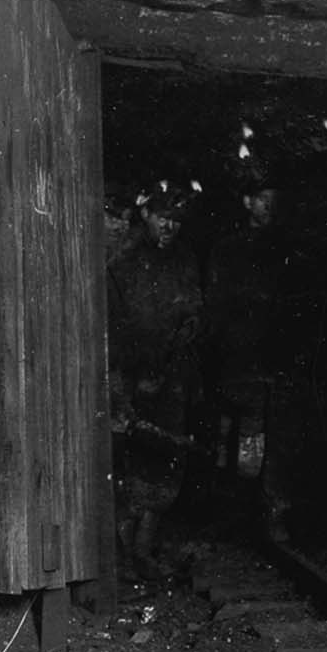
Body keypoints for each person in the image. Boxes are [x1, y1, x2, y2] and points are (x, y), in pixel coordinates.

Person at [107, 179, 203, 579]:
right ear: (145, 214)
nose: (170, 226)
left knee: (165, 463)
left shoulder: (185, 261)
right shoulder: (122, 263)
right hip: (127, 379)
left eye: (177, 220)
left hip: (171, 378)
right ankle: (121, 554)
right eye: (163, 217)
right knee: (128, 463)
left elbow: (195, 313)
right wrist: (129, 379)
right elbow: (111, 325)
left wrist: (178, 351)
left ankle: (143, 552)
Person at [202, 165, 299, 539]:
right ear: (246, 202)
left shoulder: (287, 250)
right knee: (241, 440)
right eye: (261, 199)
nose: (268, 207)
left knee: (279, 439)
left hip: (275, 360)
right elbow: (216, 304)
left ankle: (272, 511)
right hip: (239, 359)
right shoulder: (227, 249)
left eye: (274, 201)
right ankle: (238, 509)